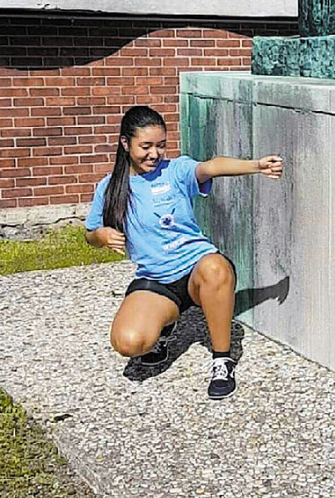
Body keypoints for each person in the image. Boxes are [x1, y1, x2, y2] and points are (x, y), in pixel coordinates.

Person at [84, 106, 284, 399]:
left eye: (161, 145)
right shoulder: (109, 188)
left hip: (196, 270)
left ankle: (222, 359)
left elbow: (212, 166)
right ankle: (165, 324)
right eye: (146, 146)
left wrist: (256, 166)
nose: (155, 153)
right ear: (125, 144)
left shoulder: (175, 171)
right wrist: (101, 236)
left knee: (216, 268)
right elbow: (90, 235)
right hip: (157, 281)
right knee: (128, 342)